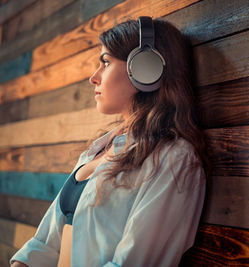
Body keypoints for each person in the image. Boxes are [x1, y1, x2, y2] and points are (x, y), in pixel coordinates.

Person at [10, 16, 208, 267]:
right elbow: (44, 245)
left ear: (145, 68)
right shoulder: (96, 150)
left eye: (105, 63)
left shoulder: (175, 158)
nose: (94, 77)